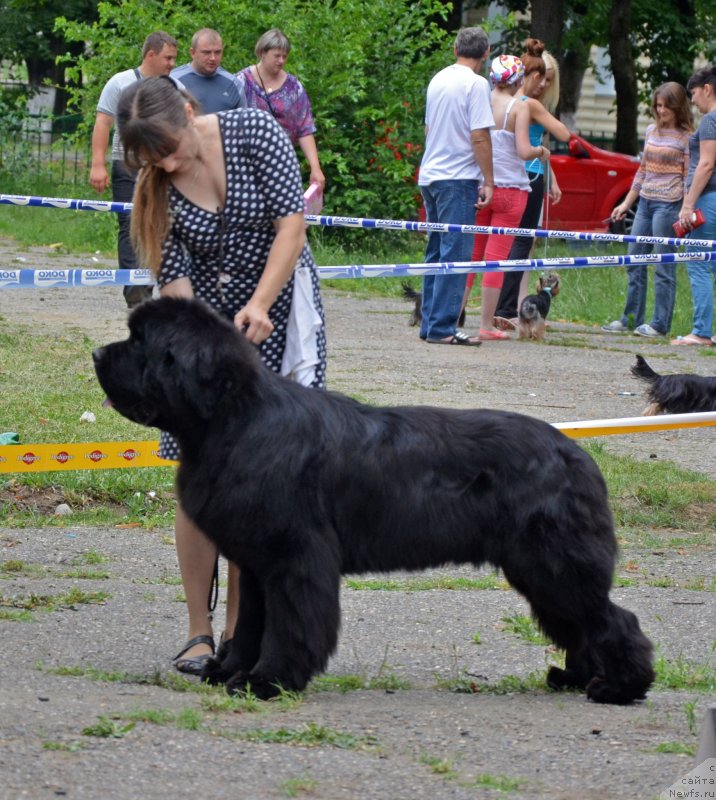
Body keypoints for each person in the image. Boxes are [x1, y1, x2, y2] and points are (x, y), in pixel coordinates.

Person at [116, 76, 327, 672]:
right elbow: (176, 289)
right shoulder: (157, 189)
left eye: (170, 148)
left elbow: (292, 227)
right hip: (206, 334)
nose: (166, 162)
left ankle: (242, 632)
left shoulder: (257, 131)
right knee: (201, 471)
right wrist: (206, 356)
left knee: (263, 478)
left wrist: (259, 305)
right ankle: (197, 630)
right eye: (152, 158)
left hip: (282, 309)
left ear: (189, 110)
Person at [417, 26, 494, 346]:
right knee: (456, 253)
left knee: (435, 252)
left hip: (431, 174)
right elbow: (479, 136)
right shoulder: (477, 85)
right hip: (457, 177)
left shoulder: (438, 79)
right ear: (486, 53)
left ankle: (429, 323)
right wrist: (489, 179)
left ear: (455, 49)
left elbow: (427, 128)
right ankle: (443, 327)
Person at [90, 31, 179, 309]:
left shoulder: (172, 86)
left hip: (160, 169)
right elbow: (103, 123)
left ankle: (151, 284)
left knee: (158, 225)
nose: (172, 64)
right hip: (126, 165)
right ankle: (135, 293)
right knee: (129, 225)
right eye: (168, 58)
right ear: (151, 55)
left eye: (174, 59)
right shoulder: (120, 82)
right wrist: (97, 164)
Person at [465, 54, 550, 340]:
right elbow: (525, 151)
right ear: (517, 79)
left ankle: (456, 313)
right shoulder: (519, 107)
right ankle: (486, 325)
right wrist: (542, 152)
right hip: (512, 190)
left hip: (482, 187)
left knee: (473, 256)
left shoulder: (480, 99)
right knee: (496, 258)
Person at [602, 82, 693, 337]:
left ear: (678, 107)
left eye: (666, 106)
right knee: (634, 260)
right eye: (658, 105)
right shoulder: (652, 130)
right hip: (644, 203)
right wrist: (626, 203)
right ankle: (631, 318)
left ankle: (660, 324)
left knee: (664, 265)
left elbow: (688, 177)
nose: (661, 110)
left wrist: (686, 208)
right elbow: (642, 171)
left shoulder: (686, 138)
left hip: (669, 205)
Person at [492, 40, 571, 328]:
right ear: (531, 75)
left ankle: (507, 305)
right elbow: (561, 134)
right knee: (522, 241)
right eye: (543, 79)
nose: (544, 85)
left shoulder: (504, 100)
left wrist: (553, 179)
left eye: (550, 81)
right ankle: (506, 307)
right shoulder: (531, 105)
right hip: (529, 175)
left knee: (507, 242)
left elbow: (539, 144)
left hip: (515, 173)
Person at [236, 29, 324, 189]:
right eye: (277, 56)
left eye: (285, 56)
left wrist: (315, 168)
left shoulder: (294, 87)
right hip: (246, 168)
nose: (281, 60)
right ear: (262, 53)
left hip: (283, 167)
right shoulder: (240, 82)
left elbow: (305, 128)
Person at [671, 65, 716, 347]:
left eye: (694, 94)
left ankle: (700, 331)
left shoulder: (711, 121)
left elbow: (707, 163)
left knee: (698, 262)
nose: (693, 100)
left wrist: (688, 205)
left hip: (708, 199)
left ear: (708, 89)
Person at [171, 28, 245, 113]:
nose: (213, 58)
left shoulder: (233, 84)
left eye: (217, 52)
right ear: (192, 53)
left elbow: (242, 121)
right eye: (206, 52)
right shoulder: (174, 80)